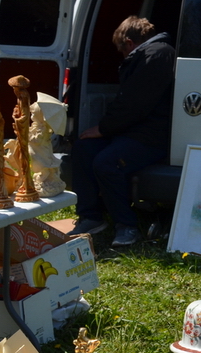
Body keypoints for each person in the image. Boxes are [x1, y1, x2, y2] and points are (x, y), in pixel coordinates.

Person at [70, 16, 175, 246]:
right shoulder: (149, 54)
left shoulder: (157, 55)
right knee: (83, 149)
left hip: (151, 136)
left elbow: (135, 103)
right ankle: (91, 216)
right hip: (131, 131)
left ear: (129, 43)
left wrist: (103, 128)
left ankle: (126, 226)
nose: (123, 55)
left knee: (107, 163)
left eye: (122, 51)